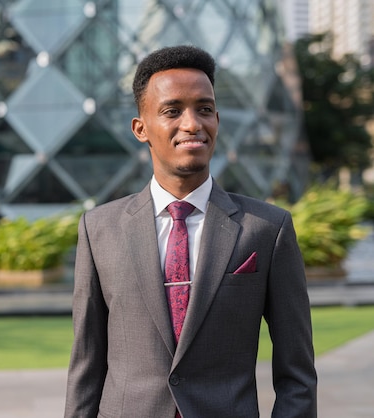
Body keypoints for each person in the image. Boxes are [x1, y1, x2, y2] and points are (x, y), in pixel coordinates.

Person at [64, 45, 317, 417]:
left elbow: (298, 374)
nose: (192, 124)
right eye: (172, 111)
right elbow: (85, 367)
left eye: (204, 109)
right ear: (140, 128)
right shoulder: (100, 229)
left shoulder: (267, 229)